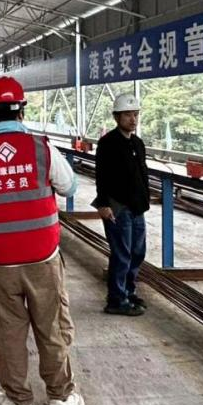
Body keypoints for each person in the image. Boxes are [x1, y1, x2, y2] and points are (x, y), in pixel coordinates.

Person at [0, 76, 85, 405]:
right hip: (43, 257)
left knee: (7, 332)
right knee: (52, 326)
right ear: (21, 110)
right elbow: (69, 186)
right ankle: (60, 399)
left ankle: (19, 402)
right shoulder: (42, 148)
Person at [92, 94, 149, 316]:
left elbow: (142, 175)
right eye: (127, 115)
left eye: (135, 114)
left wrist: (144, 202)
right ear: (117, 117)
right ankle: (116, 299)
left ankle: (128, 291)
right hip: (118, 206)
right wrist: (103, 204)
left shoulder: (137, 143)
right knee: (121, 254)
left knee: (137, 252)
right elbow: (101, 176)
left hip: (136, 207)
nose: (133, 119)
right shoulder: (108, 143)